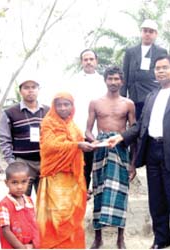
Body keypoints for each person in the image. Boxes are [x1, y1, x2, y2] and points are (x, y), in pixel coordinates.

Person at [108, 55, 170, 249]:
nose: (160, 71)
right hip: (152, 151)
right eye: (157, 68)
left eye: (165, 67)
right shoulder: (151, 96)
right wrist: (121, 137)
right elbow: (140, 125)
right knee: (156, 201)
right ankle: (161, 240)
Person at [85, 66, 136, 249]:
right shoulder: (95, 103)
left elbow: (133, 132)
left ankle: (120, 238)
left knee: (120, 193)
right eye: (110, 79)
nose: (113, 82)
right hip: (101, 152)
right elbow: (88, 130)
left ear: (121, 81)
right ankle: (98, 237)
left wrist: (133, 163)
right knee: (99, 191)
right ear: (105, 80)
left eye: (116, 79)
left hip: (121, 150)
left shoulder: (128, 104)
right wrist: (97, 141)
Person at [36, 92, 95, 248]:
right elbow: (49, 146)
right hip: (55, 177)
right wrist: (76, 145)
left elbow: (79, 144)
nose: (63, 108)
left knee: (72, 216)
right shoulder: (48, 123)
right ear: (54, 106)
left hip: (73, 178)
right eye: (59, 105)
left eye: (66, 104)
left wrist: (84, 146)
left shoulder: (73, 125)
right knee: (56, 215)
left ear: (72, 107)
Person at [0, 79, 49, 196]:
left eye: (33, 87)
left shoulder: (48, 111)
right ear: (20, 91)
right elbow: (4, 139)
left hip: (45, 162)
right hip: (22, 162)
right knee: (20, 198)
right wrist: (12, 162)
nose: (30, 90)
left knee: (45, 201)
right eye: (26, 88)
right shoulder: (10, 112)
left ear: (38, 90)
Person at [67, 49, 106, 197]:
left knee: (99, 171)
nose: (88, 62)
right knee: (81, 171)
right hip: (78, 133)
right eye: (85, 59)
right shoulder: (74, 81)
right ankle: (79, 208)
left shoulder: (103, 81)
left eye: (91, 59)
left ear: (96, 61)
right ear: (81, 62)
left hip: (99, 135)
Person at [121, 19, 168, 120]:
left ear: (156, 34)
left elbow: (164, 74)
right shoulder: (131, 51)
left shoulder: (161, 52)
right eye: (145, 31)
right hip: (134, 95)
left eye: (151, 31)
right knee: (134, 125)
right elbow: (124, 74)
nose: (147, 34)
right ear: (141, 32)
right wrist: (122, 97)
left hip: (151, 95)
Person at [0, 162, 39, 249]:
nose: (20, 187)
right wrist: (22, 248)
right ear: (6, 183)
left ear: (29, 181)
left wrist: (34, 244)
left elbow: (34, 224)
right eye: (15, 183)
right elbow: (6, 231)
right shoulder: (3, 205)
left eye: (24, 182)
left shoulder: (29, 201)